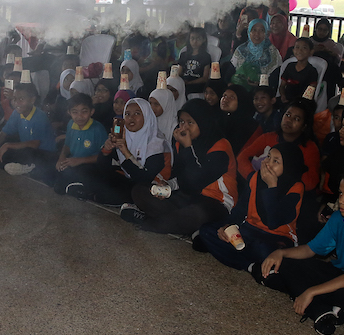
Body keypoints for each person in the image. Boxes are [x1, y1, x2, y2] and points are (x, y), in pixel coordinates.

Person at [260, 170, 344, 335]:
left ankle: (311, 302)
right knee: (287, 262)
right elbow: (311, 249)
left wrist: (311, 291)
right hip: (339, 272)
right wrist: (281, 253)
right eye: (340, 193)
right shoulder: (339, 217)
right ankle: (323, 309)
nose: (341, 200)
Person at [123, 100, 237, 236]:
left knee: (196, 214)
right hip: (187, 196)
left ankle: (148, 220)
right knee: (140, 190)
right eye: (182, 122)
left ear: (203, 122)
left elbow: (198, 181)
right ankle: (178, 224)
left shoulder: (221, 146)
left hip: (215, 201)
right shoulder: (181, 143)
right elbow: (179, 176)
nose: (184, 127)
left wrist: (188, 147)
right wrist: (167, 187)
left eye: (190, 122)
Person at [195, 142, 306, 271]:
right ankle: (250, 266)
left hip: (276, 237)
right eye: (268, 157)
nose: (268, 163)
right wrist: (227, 226)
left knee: (263, 250)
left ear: (288, 166)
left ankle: (237, 256)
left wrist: (271, 186)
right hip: (250, 231)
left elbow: (273, 222)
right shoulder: (255, 178)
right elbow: (241, 209)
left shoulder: (296, 187)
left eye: (275, 161)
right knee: (207, 231)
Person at [71, 99, 170, 206]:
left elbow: (143, 178)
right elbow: (103, 166)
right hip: (124, 179)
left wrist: (125, 151)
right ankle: (92, 192)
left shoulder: (157, 144)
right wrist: (107, 150)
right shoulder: (124, 135)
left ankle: (92, 194)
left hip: (145, 184)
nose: (131, 118)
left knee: (136, 192)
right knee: (87, 170)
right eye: (127, 114)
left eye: (137, 113)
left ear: (147, 116)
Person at [237, 98, 320, 194]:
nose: (289, 120)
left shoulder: (310, 148)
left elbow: (311, 181)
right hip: (259, 186)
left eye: (296, 119)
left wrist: (279, 182)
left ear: (304, 126)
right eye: (287, 115)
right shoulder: (268, 138)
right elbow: (241, 158)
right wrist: (253, 177)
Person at [0, 82, 56, 181]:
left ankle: (27, 167)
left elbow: (34, 144)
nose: (16, 103)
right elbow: (3, 133)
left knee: (18, 150)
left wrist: (7, 145)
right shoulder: (17, 113)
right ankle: (0, 159)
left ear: (32, 100)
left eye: (21, 99)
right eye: (14, 99)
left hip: (43, 153)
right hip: (26, 147)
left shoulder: (40, 117)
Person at [53, 93, 108, 195]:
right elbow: (67, 145)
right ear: (69, 112)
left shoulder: (98, 129)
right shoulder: (71, 124)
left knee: (85, 173)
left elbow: (104, 157)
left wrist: (79, 160)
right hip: (74, 162)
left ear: (92, 112)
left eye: (84, 111)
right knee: (58, 185)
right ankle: (73, 185)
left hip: (90, 165)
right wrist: (61, 158)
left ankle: (82, 188)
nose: (79, 116)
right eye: (75, 112)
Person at [230, 19, 281, 91]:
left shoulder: (273, 52)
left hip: (263, 90)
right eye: (254, 30)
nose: (257, 33)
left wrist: (260, 84)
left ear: (266, 33)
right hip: (240, 89)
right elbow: (231, 70)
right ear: (249, 32)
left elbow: (276, 78)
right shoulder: (241, 49)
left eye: (261, 30)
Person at [219, 83, 258, 156]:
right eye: (224, 96)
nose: (225, 100)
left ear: (241, 101)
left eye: (232, 97)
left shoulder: (246, 125)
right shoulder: (222, 119)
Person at [278, 37, 320, 104]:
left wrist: (299, 103)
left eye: (304, 48)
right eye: (297, 47)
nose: (300, 51)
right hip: (287, 100)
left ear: (311, 52)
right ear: (293, 50)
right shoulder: (290, 66)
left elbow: (310, 92)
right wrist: (283, 96)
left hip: (301, 103)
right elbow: (282, 86)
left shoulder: (312, 71)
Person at [176, 26, 212, 96]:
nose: (195, 41)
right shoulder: (183, 55)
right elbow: (179, 73)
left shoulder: (206, 56)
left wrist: (189, 83)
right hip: (183, 82)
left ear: (204, 39)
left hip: (197, 84)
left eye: (198, 39)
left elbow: (205, 78)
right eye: (192, 38)